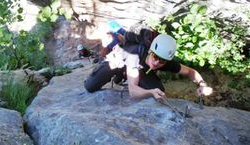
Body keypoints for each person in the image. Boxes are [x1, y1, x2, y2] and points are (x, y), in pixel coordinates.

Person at [84, 32, 213, 101]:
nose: (157, 63)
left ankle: (124, 76)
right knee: (90, 86)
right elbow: (133, 91)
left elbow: (191, 72)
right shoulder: (135, 53)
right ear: (150, 51)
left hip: (138, 69)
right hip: (121, 62)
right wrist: (149, 92)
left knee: (159, 90)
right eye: (155, 57)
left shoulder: (164, 61)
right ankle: (120, 74)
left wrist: (202, 84)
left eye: (162, 61)